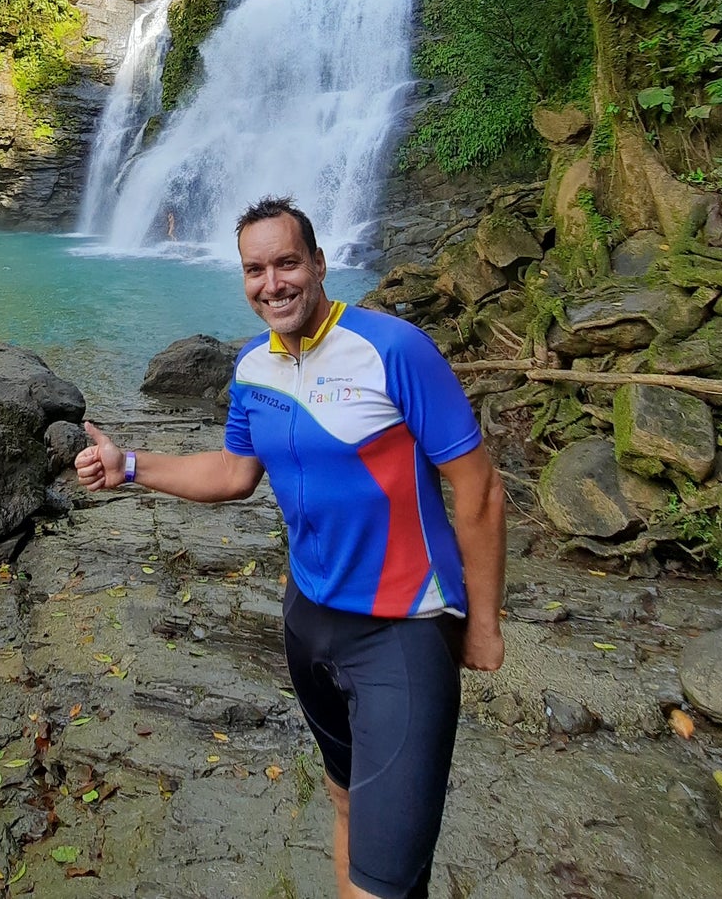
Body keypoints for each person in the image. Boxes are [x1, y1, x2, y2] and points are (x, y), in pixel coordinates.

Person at [76, 195, 505, 899]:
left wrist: (482, 624)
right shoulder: (253, 366)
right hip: (308, 623)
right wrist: (130, 467)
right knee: (346, 806)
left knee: (381, 883)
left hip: (400, 634)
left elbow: (480, 489)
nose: (271, 283)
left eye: (286, 263)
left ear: (318, 264)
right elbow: (235, 473)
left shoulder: (392, 349)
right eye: (254, 270)